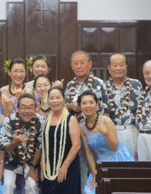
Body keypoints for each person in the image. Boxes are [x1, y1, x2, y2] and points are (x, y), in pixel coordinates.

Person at [64, 50, 108, 192]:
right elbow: (63, 108)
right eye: (75, 63)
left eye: (82, 63)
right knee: (81, 167)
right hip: (76, 133)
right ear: (71, 66)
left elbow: (106, 110)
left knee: (98, 168)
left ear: (89, 64)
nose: (79, 66)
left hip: (95, 131)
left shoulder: (99, 84)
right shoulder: (70, 85)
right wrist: (68, 106)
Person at [78, 90, 134, 194]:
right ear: (80, 106)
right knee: (89, 190)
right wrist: (95, 174)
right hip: (100, 163)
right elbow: (88, 152)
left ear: (97, 104)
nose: (88, 106)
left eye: (91, 102)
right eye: (84, 103)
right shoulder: (82, 126)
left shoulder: (106, 121)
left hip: (117, 159)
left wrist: (105, 133)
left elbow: (114, 147)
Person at [0, 93, 43, 194]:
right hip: (11, 162)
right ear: (17, 109)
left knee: (32, 185)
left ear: (35, 108)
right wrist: (15, 143)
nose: (27, 111)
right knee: (8, 185)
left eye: (30, 107)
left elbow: (39, 147)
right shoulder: (9, 120)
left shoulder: (40, 121)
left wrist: (32, 168)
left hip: (31, 163)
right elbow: (4, 147)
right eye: (23, 107)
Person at [40, 87, 81, 194]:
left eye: (58, 97)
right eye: (51, 98)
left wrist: (64, 166)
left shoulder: (71, 119)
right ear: (48, 101)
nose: (55, 101)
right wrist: (43, 164)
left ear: (64, 99)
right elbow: (44, 145)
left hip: (68, 167)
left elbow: (76, 145)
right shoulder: (46, 119)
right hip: (49, 168)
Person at [105, 53, 142, 155]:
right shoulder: (103, 88)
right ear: (109, 68)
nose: (118, 68)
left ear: (126, 67)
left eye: (121, 65)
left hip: (132, 130)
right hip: (112, 132)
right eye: (115, 65)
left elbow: (142, 110)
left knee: (132, 165)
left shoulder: (136, 84)